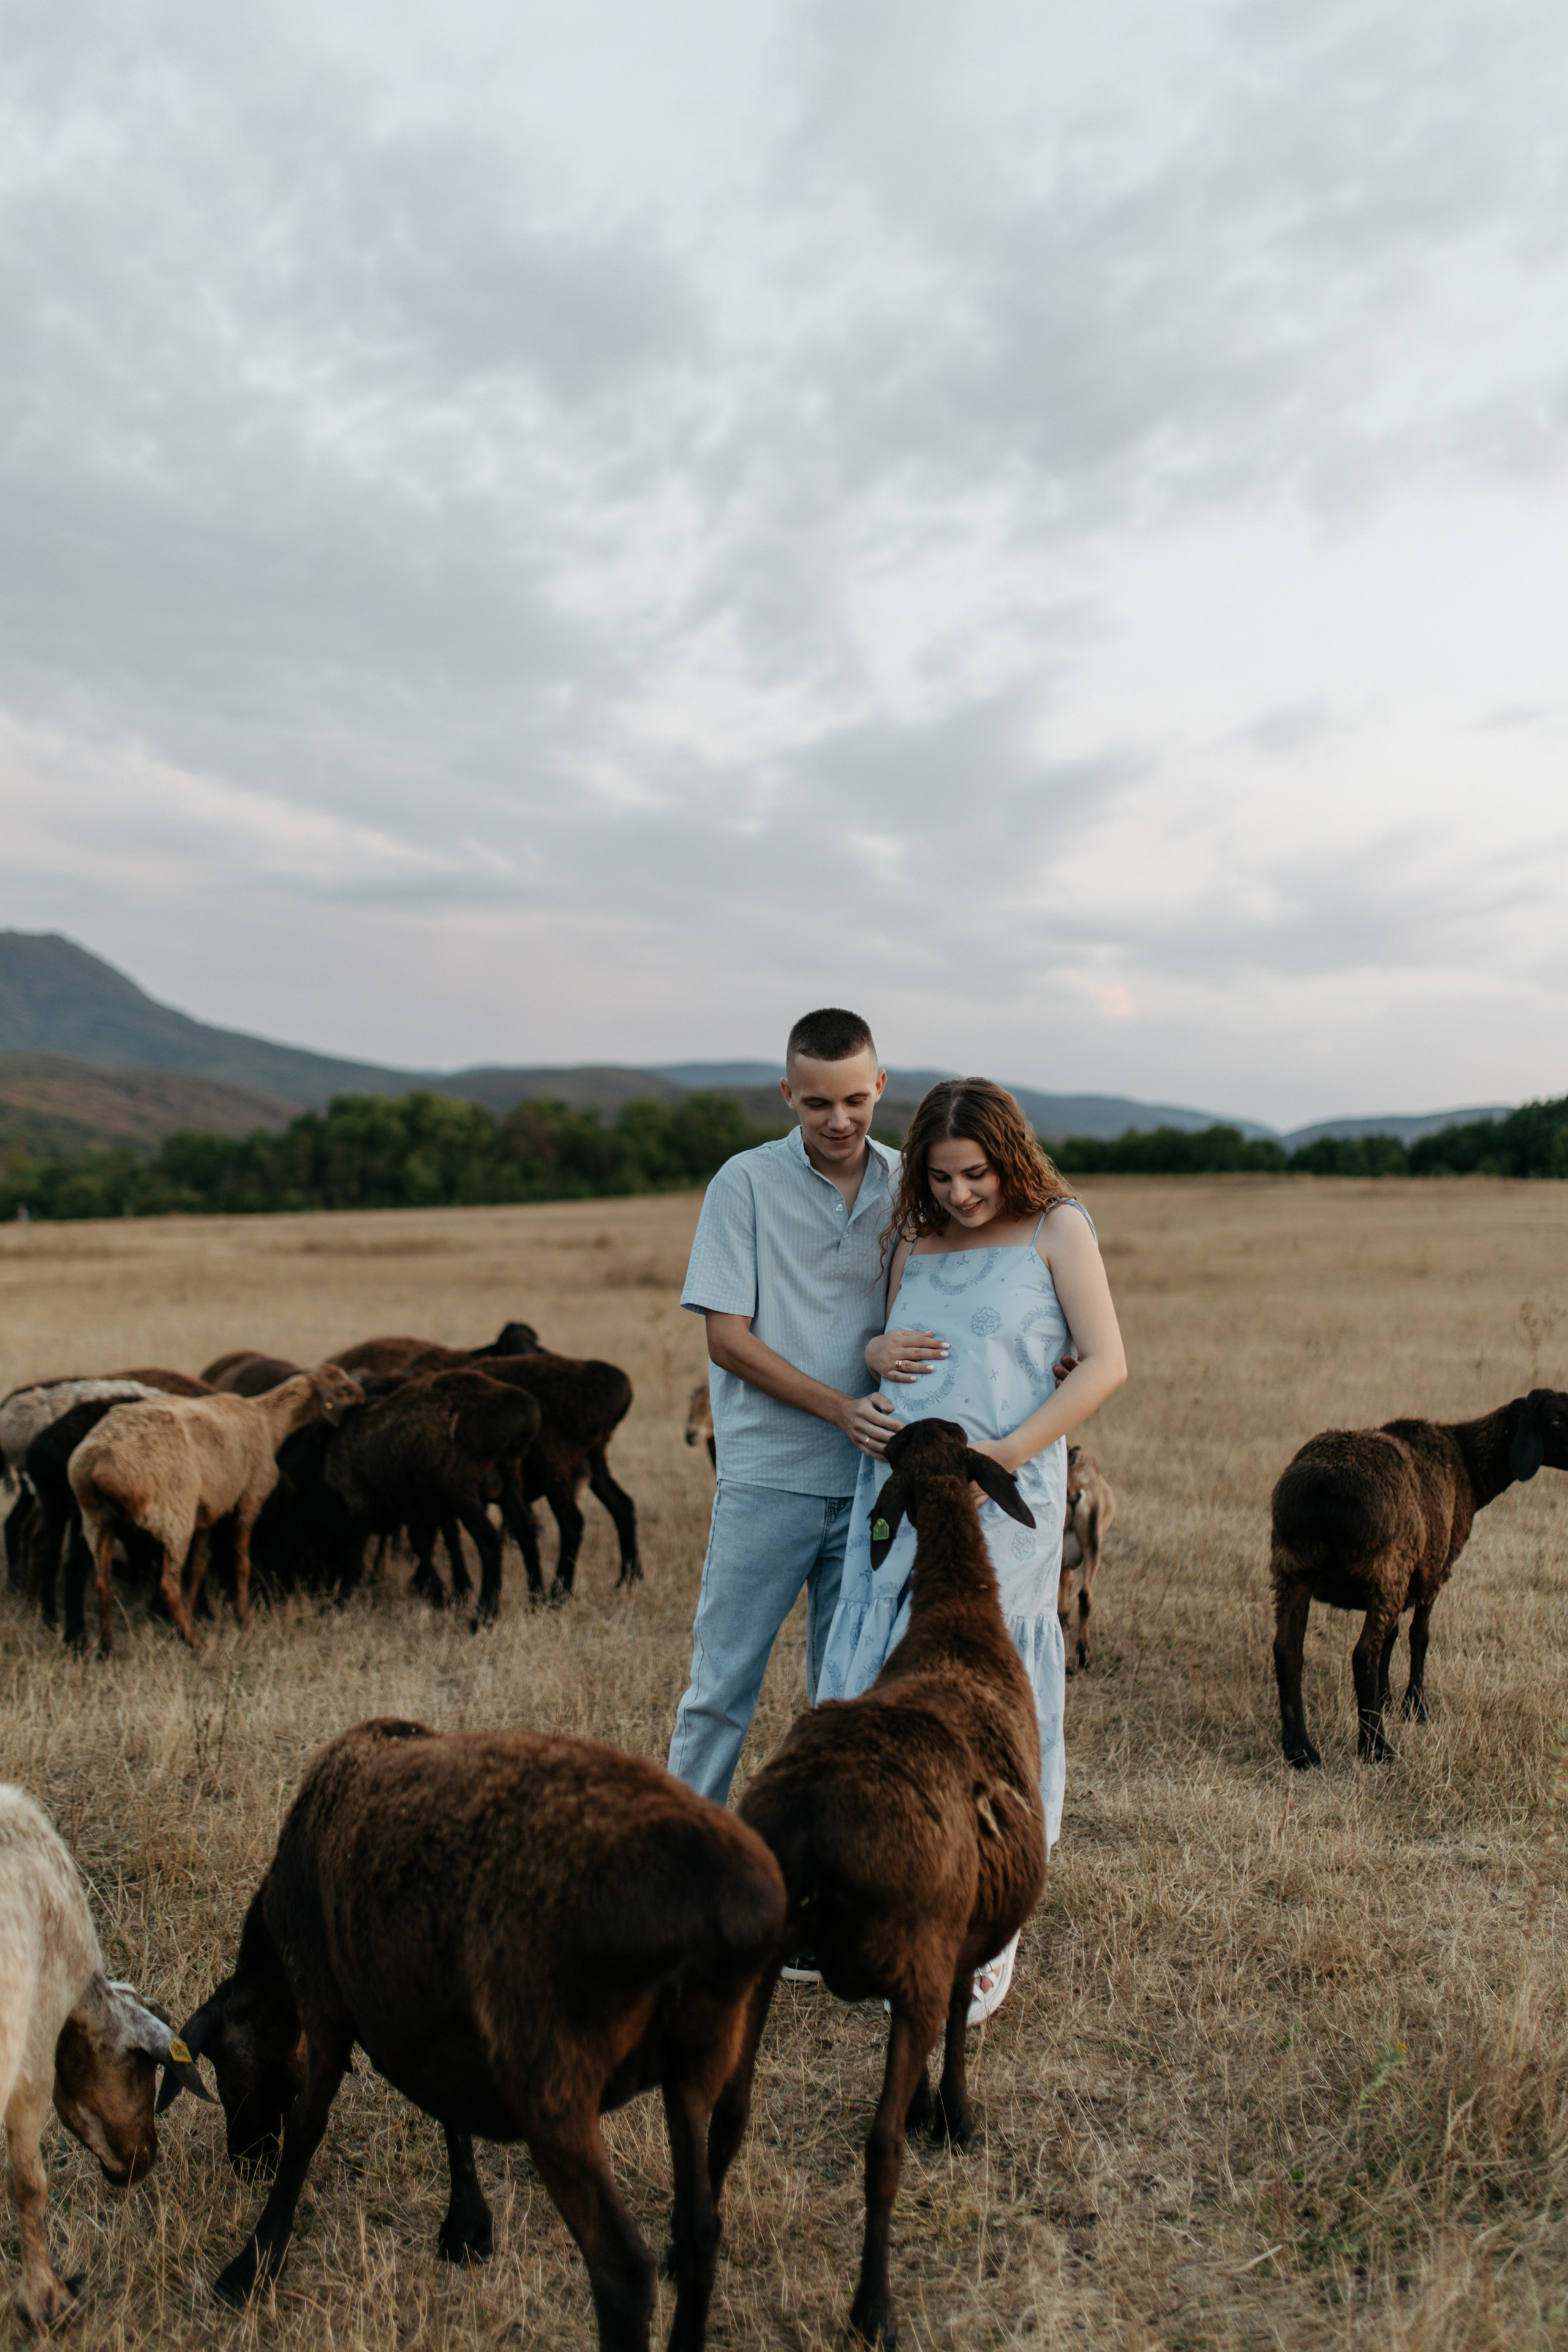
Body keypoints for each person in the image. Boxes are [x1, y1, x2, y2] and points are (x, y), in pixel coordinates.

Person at [817, 1076, 1127, 2019]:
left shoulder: (1056, 1229)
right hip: (901, 1485)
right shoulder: (915, 1237)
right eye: (942, 1177)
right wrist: (872, 1360)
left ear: (1011, 1156)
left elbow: (1106, 1362)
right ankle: (892, 1896)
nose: (959, 1196)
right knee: (888, 1676)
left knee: (989, 1689)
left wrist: (1009, 1454)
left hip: (1009, 1490)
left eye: (977, 1174)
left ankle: (993, 1924)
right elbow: (896, 1338)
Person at [667, 1007, 900, 1819]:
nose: (838, 1121)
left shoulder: (912, 1184)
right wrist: (839, 1408)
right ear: (787, 1095)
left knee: (845, 1706)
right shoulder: (743, 1184)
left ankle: (821, 1880)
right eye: (815, 1104)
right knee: (720, 1688)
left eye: (853, 1101)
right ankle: (680, 1869)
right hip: (768, 1476)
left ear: (878, 1086)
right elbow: (727, 1341)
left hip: (875, 1485)